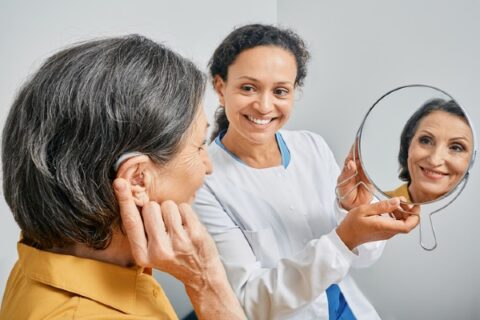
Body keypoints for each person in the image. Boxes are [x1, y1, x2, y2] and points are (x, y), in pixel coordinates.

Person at [0, 35, 246, 320]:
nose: (208, 166)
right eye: (200, 145)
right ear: (137, 179)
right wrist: (207, 282)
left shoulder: (46, 250)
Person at [194, 24, 419, 319]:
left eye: (280, 91)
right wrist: (345, 237)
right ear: (221, 88)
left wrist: (350, 210)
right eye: (248, 87)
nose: (264, 106)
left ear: (294, 92)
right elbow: (250, 301)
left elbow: (361, 258)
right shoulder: (205, 181)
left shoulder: (311, 146)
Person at [386, 99, 474, 203]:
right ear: (408, 144)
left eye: (456, 148)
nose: (434, 160)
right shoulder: (369, 205)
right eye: (426, 141)